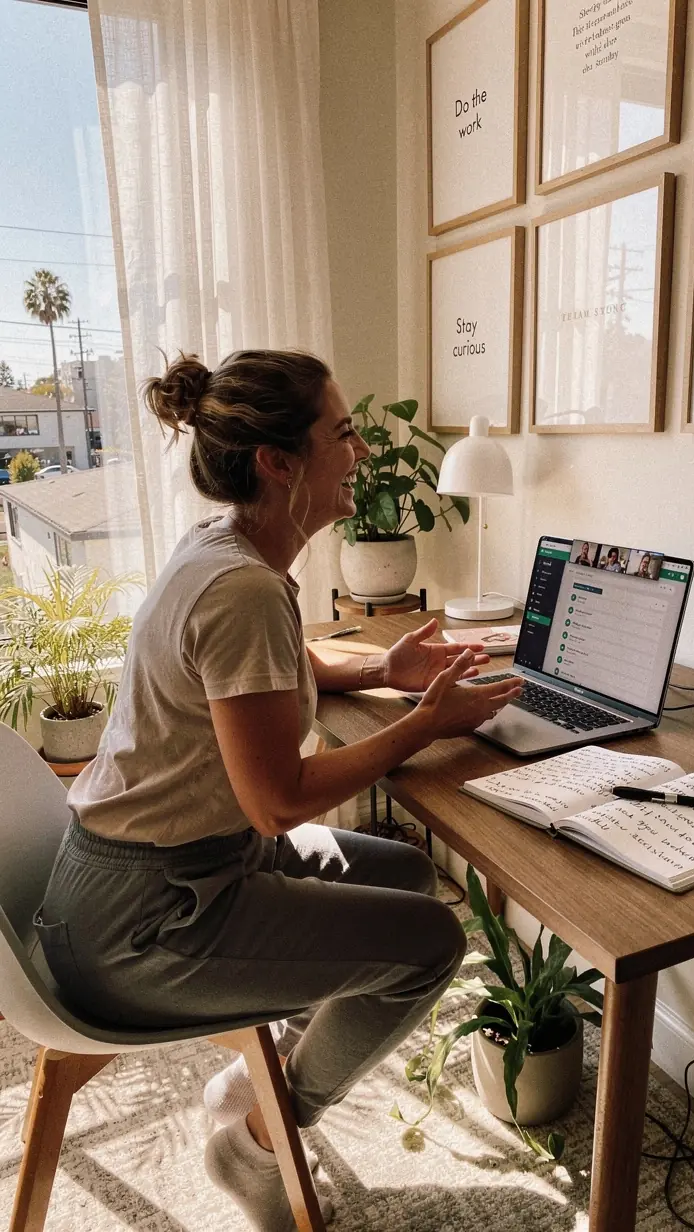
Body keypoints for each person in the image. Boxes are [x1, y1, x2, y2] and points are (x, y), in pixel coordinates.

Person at [33, 350, 523, 1232]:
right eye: (342, 433)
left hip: (134, 877)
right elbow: (279, 800)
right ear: (279, 462)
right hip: (144, 924)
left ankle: (266, 1070)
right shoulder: (244, 589)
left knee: (405, 876)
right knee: (429, 943)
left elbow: (276, 677)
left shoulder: (224, 548)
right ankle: (262, 1138)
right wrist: (421, 724)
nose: (363, 451)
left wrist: (390, 665)